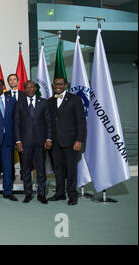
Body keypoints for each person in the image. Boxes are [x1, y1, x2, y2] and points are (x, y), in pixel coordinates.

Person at [47, 77, 86, 205]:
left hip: (70, 142)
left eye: (60, 84)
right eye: (56, 84)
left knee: (71, 170)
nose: (58, 86)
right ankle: (60, 194)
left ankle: (72, 195)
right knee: (58, 169)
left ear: (66, 85)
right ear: (53, 86)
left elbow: (81, 122)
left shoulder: (75, 99)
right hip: (55, 142)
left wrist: (79, 140)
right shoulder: (50, 101)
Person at [14, 80, 52, 204]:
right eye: (27, 87)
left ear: (35, 89)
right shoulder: (20, 103)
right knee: (25, 169)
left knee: (40, 169)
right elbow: (17, 124)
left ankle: (41, 194)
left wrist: (48, 138)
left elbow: (48, 122)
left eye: (32, 87)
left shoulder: (44, 103)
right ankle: (28, 193)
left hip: (40, 142)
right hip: (25, 143)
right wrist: (18, 141)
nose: (29, 89)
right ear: (24, 90)